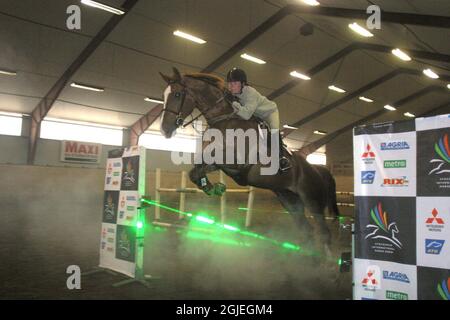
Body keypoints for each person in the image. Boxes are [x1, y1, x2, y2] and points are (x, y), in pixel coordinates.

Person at [226, 67, 291, 172]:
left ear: (242, 84)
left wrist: (234, 104)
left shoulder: (251, 93)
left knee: (274, 130)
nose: (230, 87)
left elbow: (246, 115)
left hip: (269, 112)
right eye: (229, 83)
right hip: (255, 114)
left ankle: (281, 158)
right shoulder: (234, 93)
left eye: (234, 83)